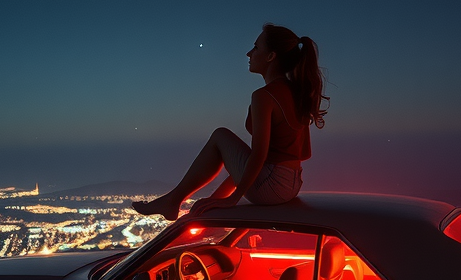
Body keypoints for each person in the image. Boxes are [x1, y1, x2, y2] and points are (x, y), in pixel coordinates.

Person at [133, 23, 327, 221]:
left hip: (272, 187)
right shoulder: (294, 91)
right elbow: (263, 158)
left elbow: (259, 154)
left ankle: (172, 201)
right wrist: (217, 200)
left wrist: (233, 199)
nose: (248, 54)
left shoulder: (265, 96)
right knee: (240, 157)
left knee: (220, 135)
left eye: (256, 47)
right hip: (291, 184)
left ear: (271, 56)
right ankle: (195, 204)